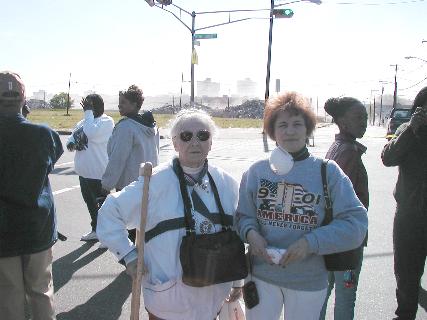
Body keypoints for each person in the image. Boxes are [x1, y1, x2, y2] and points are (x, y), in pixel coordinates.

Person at [97, 109, 242, 320]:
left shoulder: (227, 183)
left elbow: (237, 234)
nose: (195, 142)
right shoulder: (153, 182)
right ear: (175, 143)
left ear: (211, 142)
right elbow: (110, 212)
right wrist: (128, 255)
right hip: (169, 300)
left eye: (203, 135)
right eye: (186, 136)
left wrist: (237, 281)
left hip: (213, 298)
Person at [235, 92, 368, 320]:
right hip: (260, 276)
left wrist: (310, 243)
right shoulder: (257, 172)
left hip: (308, 281)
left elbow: (356, 224)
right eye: (282, 125)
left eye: (297, 124)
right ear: (272, 131)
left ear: (308, 129)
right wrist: (251, 233)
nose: (290, 131)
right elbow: (242, 216)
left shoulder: (328, 171)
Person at [0, 71, 63, 319]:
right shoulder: (44, 134)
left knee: (8, 295)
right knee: (41, 291)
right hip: (37, 227)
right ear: (23, 100)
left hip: (3, 232)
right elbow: (49, 162)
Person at [319, 97, 369, 320]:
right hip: (347, 240)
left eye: (366, 117)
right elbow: (342, 200)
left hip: (332, 237)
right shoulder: (348, 151)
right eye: (359, 117)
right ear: (342, 121)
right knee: (346, 297)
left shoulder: (338, 146)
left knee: (323, 293)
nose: (364, 122)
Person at [382, 86, 427, 320]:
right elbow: (387, 158)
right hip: (410, 217)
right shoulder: (406, 130)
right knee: (407, 275)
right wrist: (411, 129)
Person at [101, 85, 159, 243]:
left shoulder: (126, 127)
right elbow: (156, 153)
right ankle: (143, 260)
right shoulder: (151, 125)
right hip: (148, 181)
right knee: (144, 225)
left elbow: (117, 159)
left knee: (130, 227)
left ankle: (134, 263)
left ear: (135, 105)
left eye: (124, 102)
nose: (120, 105)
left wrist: (106, 185)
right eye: (119, 102)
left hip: (129, 185)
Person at [66, 94, 114, 242]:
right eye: (85, 106)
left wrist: (88, 113)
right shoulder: (84, 121)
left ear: (98, 106)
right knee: (90, 203)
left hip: (98, 173)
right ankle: (96, 230)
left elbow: (90, 133)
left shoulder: (106, 121)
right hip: (83, 172)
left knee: (102, 206)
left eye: (89, 106)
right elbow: (74, 136)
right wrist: (71, 142)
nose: (86, 109)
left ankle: (107, 235)